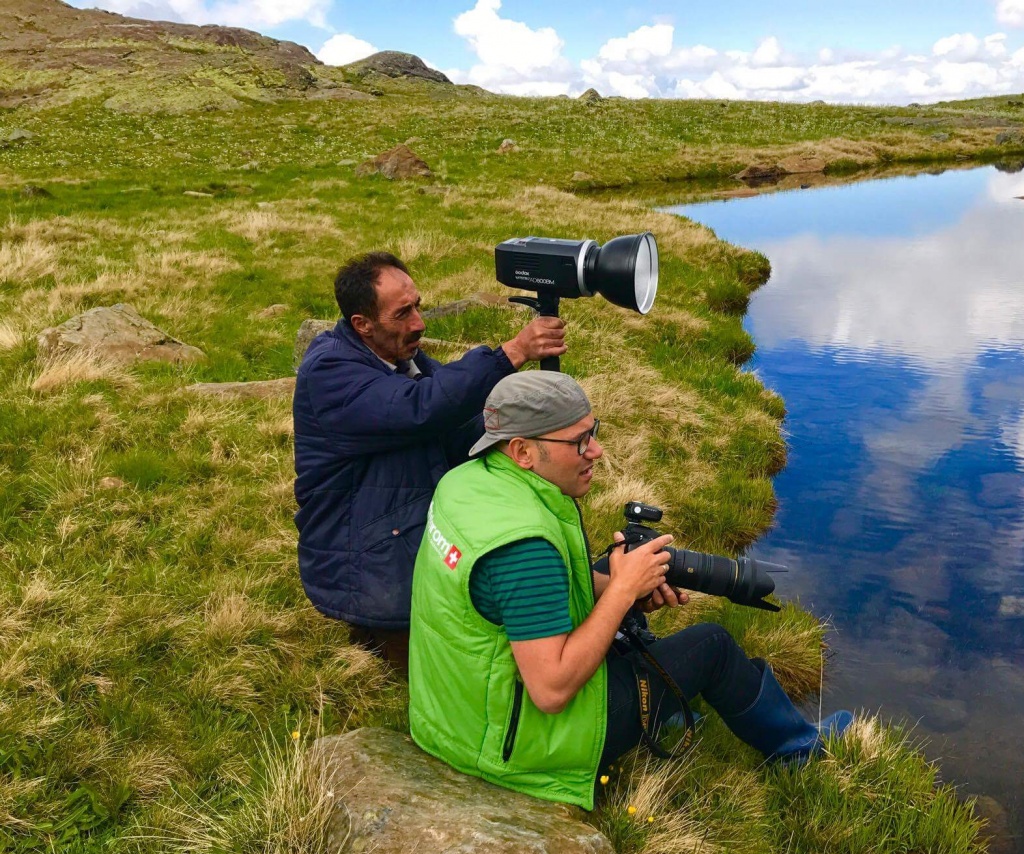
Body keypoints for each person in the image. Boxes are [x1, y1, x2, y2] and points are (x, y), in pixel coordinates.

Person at [408, 370, 852, 808]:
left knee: (612, 581)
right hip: (520, 748)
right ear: (523, 450)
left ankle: (668, 708)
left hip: (452, 715)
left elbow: (517, 598)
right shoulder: (525, 549)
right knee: (712, 646)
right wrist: (621, 593)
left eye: (593, 432)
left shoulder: (464, 484)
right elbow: (551, 690)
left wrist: (620, 585)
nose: (596, 451)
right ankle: (800, 752)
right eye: (579, 441)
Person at [294, 251, 565, 670]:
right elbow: (422, 408)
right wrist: (511, 353)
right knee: (455, 672)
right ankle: (376, 634)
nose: (419, 322)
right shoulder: (330, 371)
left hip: (393, 531)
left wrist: (527, 437)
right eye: (403, 313)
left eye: (418, 305)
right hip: (364, 557)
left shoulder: (402, 358)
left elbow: (457, 426)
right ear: (361, 325)